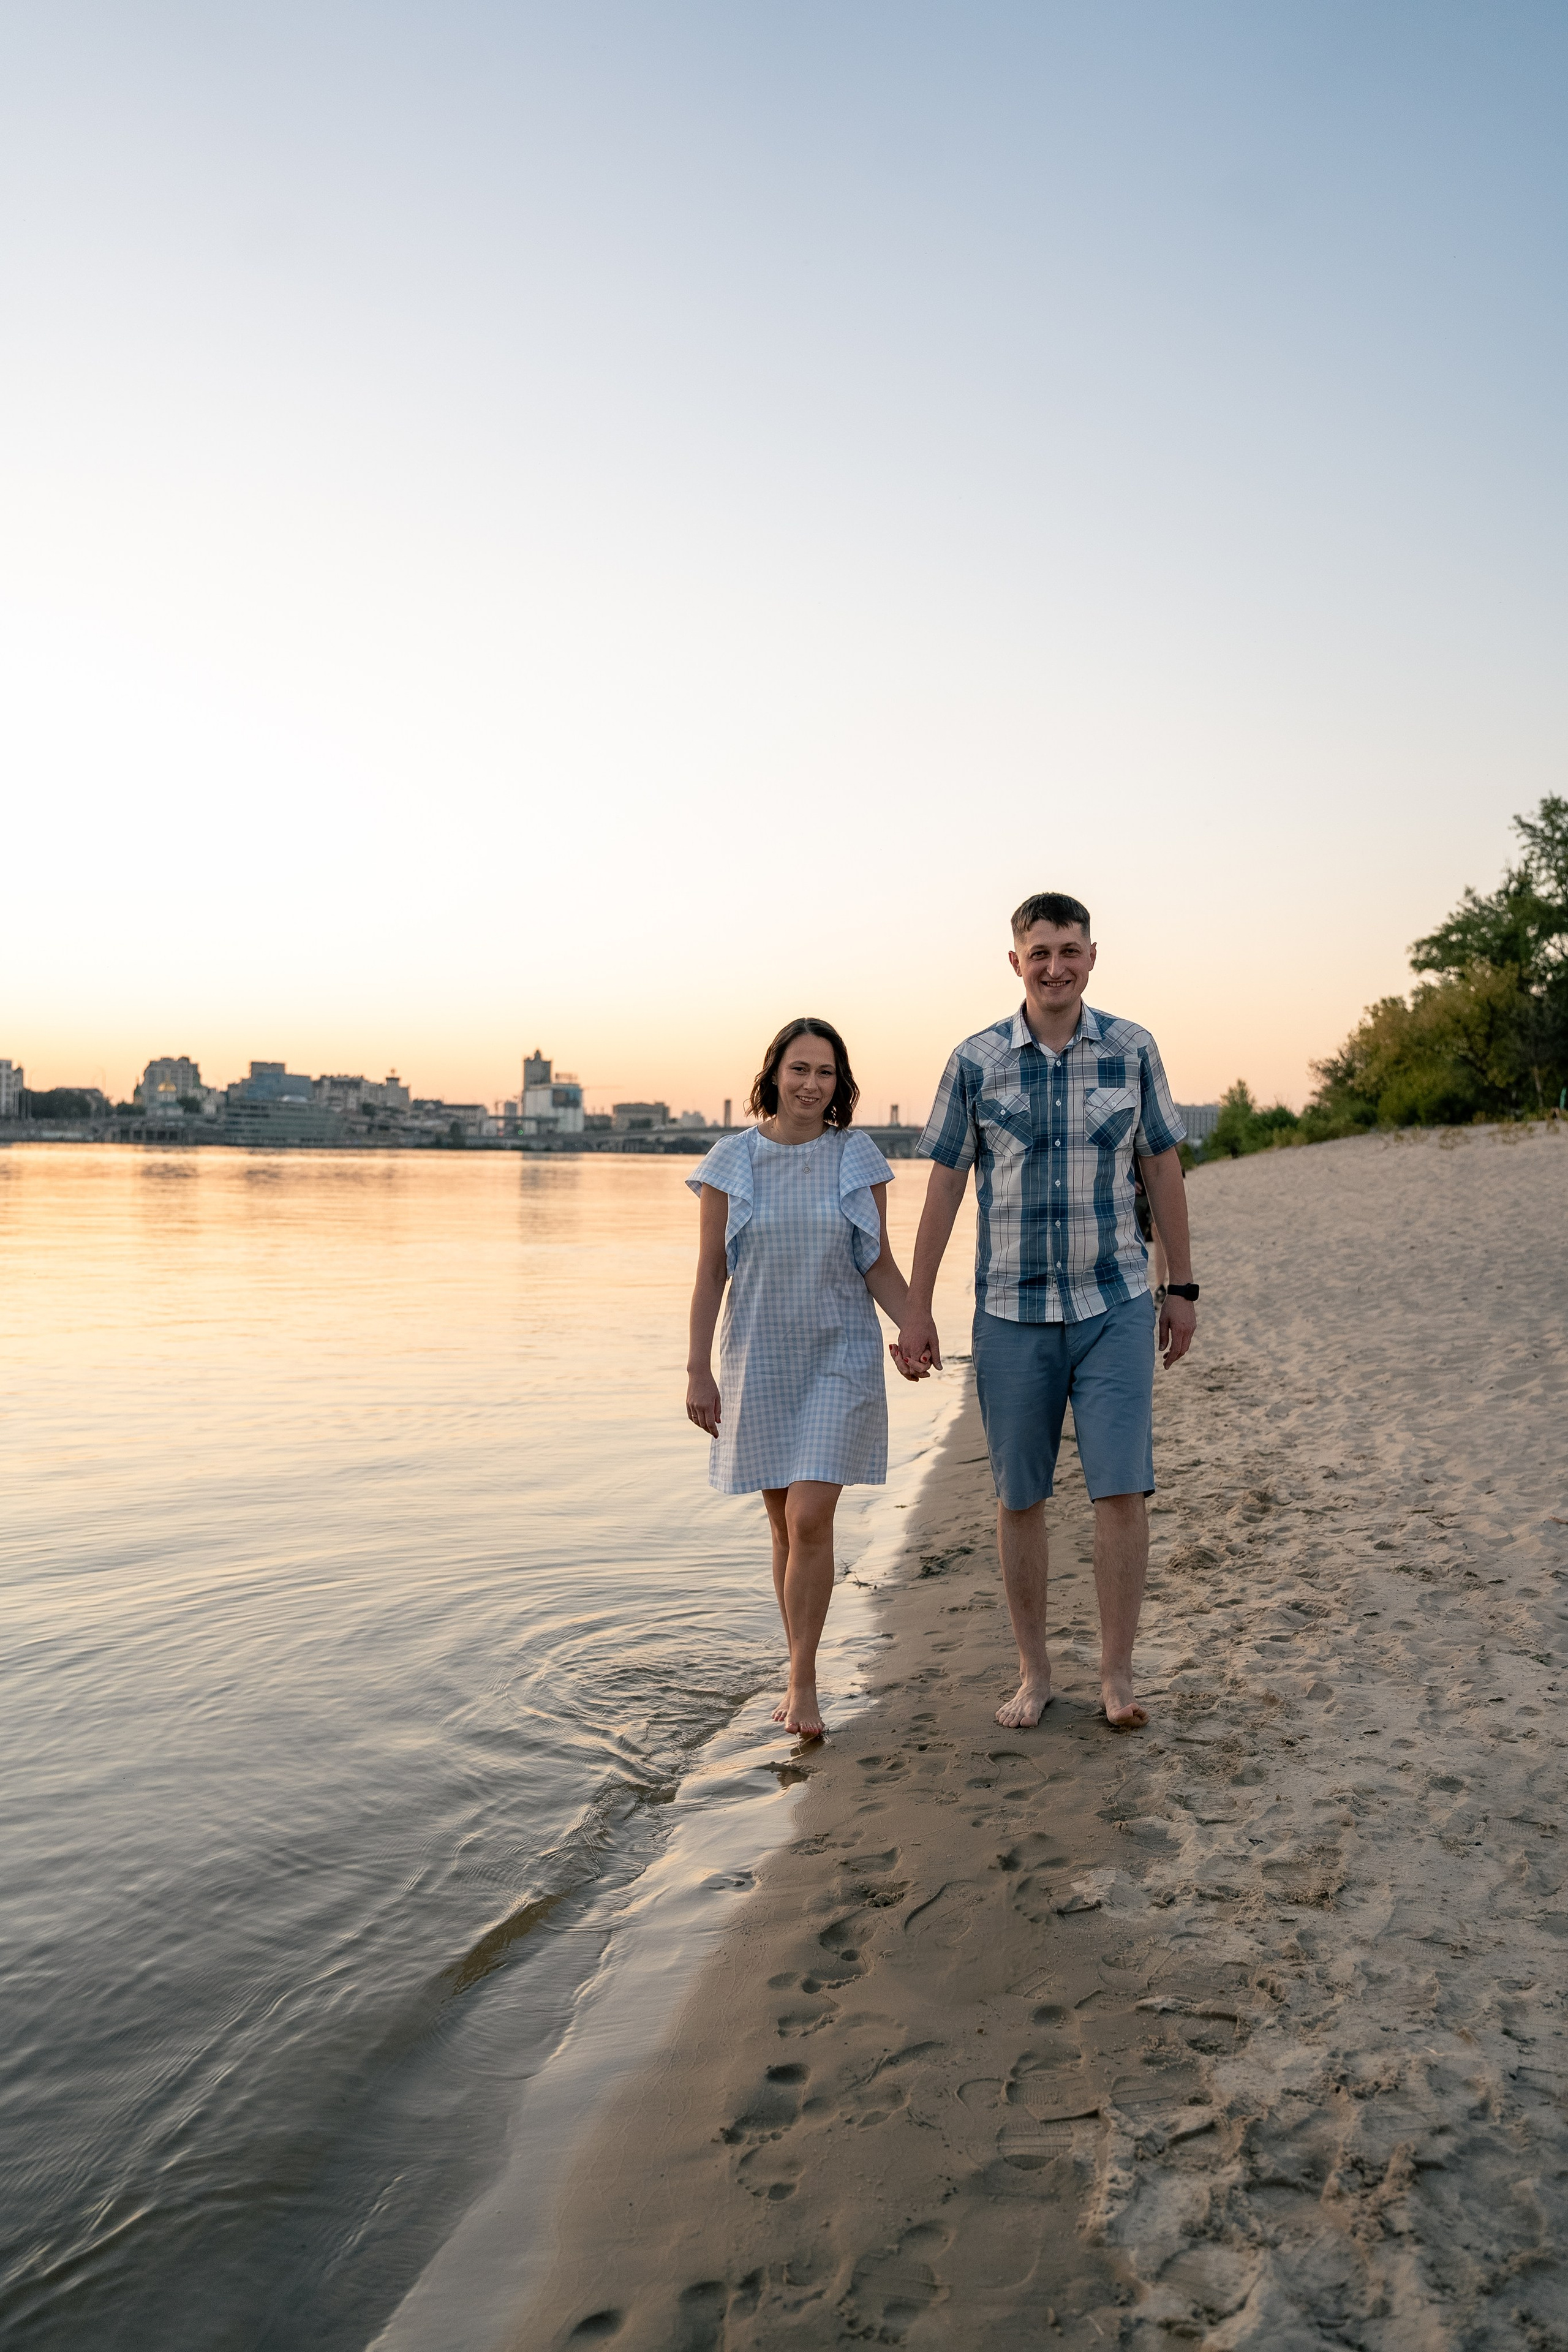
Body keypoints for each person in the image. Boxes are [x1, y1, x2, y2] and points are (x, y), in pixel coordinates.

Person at [897, 892, 1197, 1733]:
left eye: (1070, 950)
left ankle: (1116, 1677)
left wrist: (1182, 1286)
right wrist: (916, 1306)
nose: (1056, 966)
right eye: (1041, 953)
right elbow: (948, 1181)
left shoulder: (1133, 1050)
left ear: (1092, 957)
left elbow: (1163, 1170)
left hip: (1115, 1304)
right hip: (1010, 1311)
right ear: (1016, 962)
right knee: (1019, 1495)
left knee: (1121, 1491)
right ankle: (1035, 1675)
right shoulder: (975, 1060)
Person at [685, 1019, 925, 1740]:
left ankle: (803, 1683)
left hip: (839, 1355)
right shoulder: (732, 1161)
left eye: (825, 1072)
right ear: (773, 1074)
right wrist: (698, 1370)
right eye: (799, 1069)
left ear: (839, 1084)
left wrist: (912, 1322)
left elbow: (875, 1262)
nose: (810, 1084)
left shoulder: (857, 1155)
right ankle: (796, 1668)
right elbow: (709, 1273)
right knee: (783, 1529)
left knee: (810, 1518)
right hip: (759, 1359)